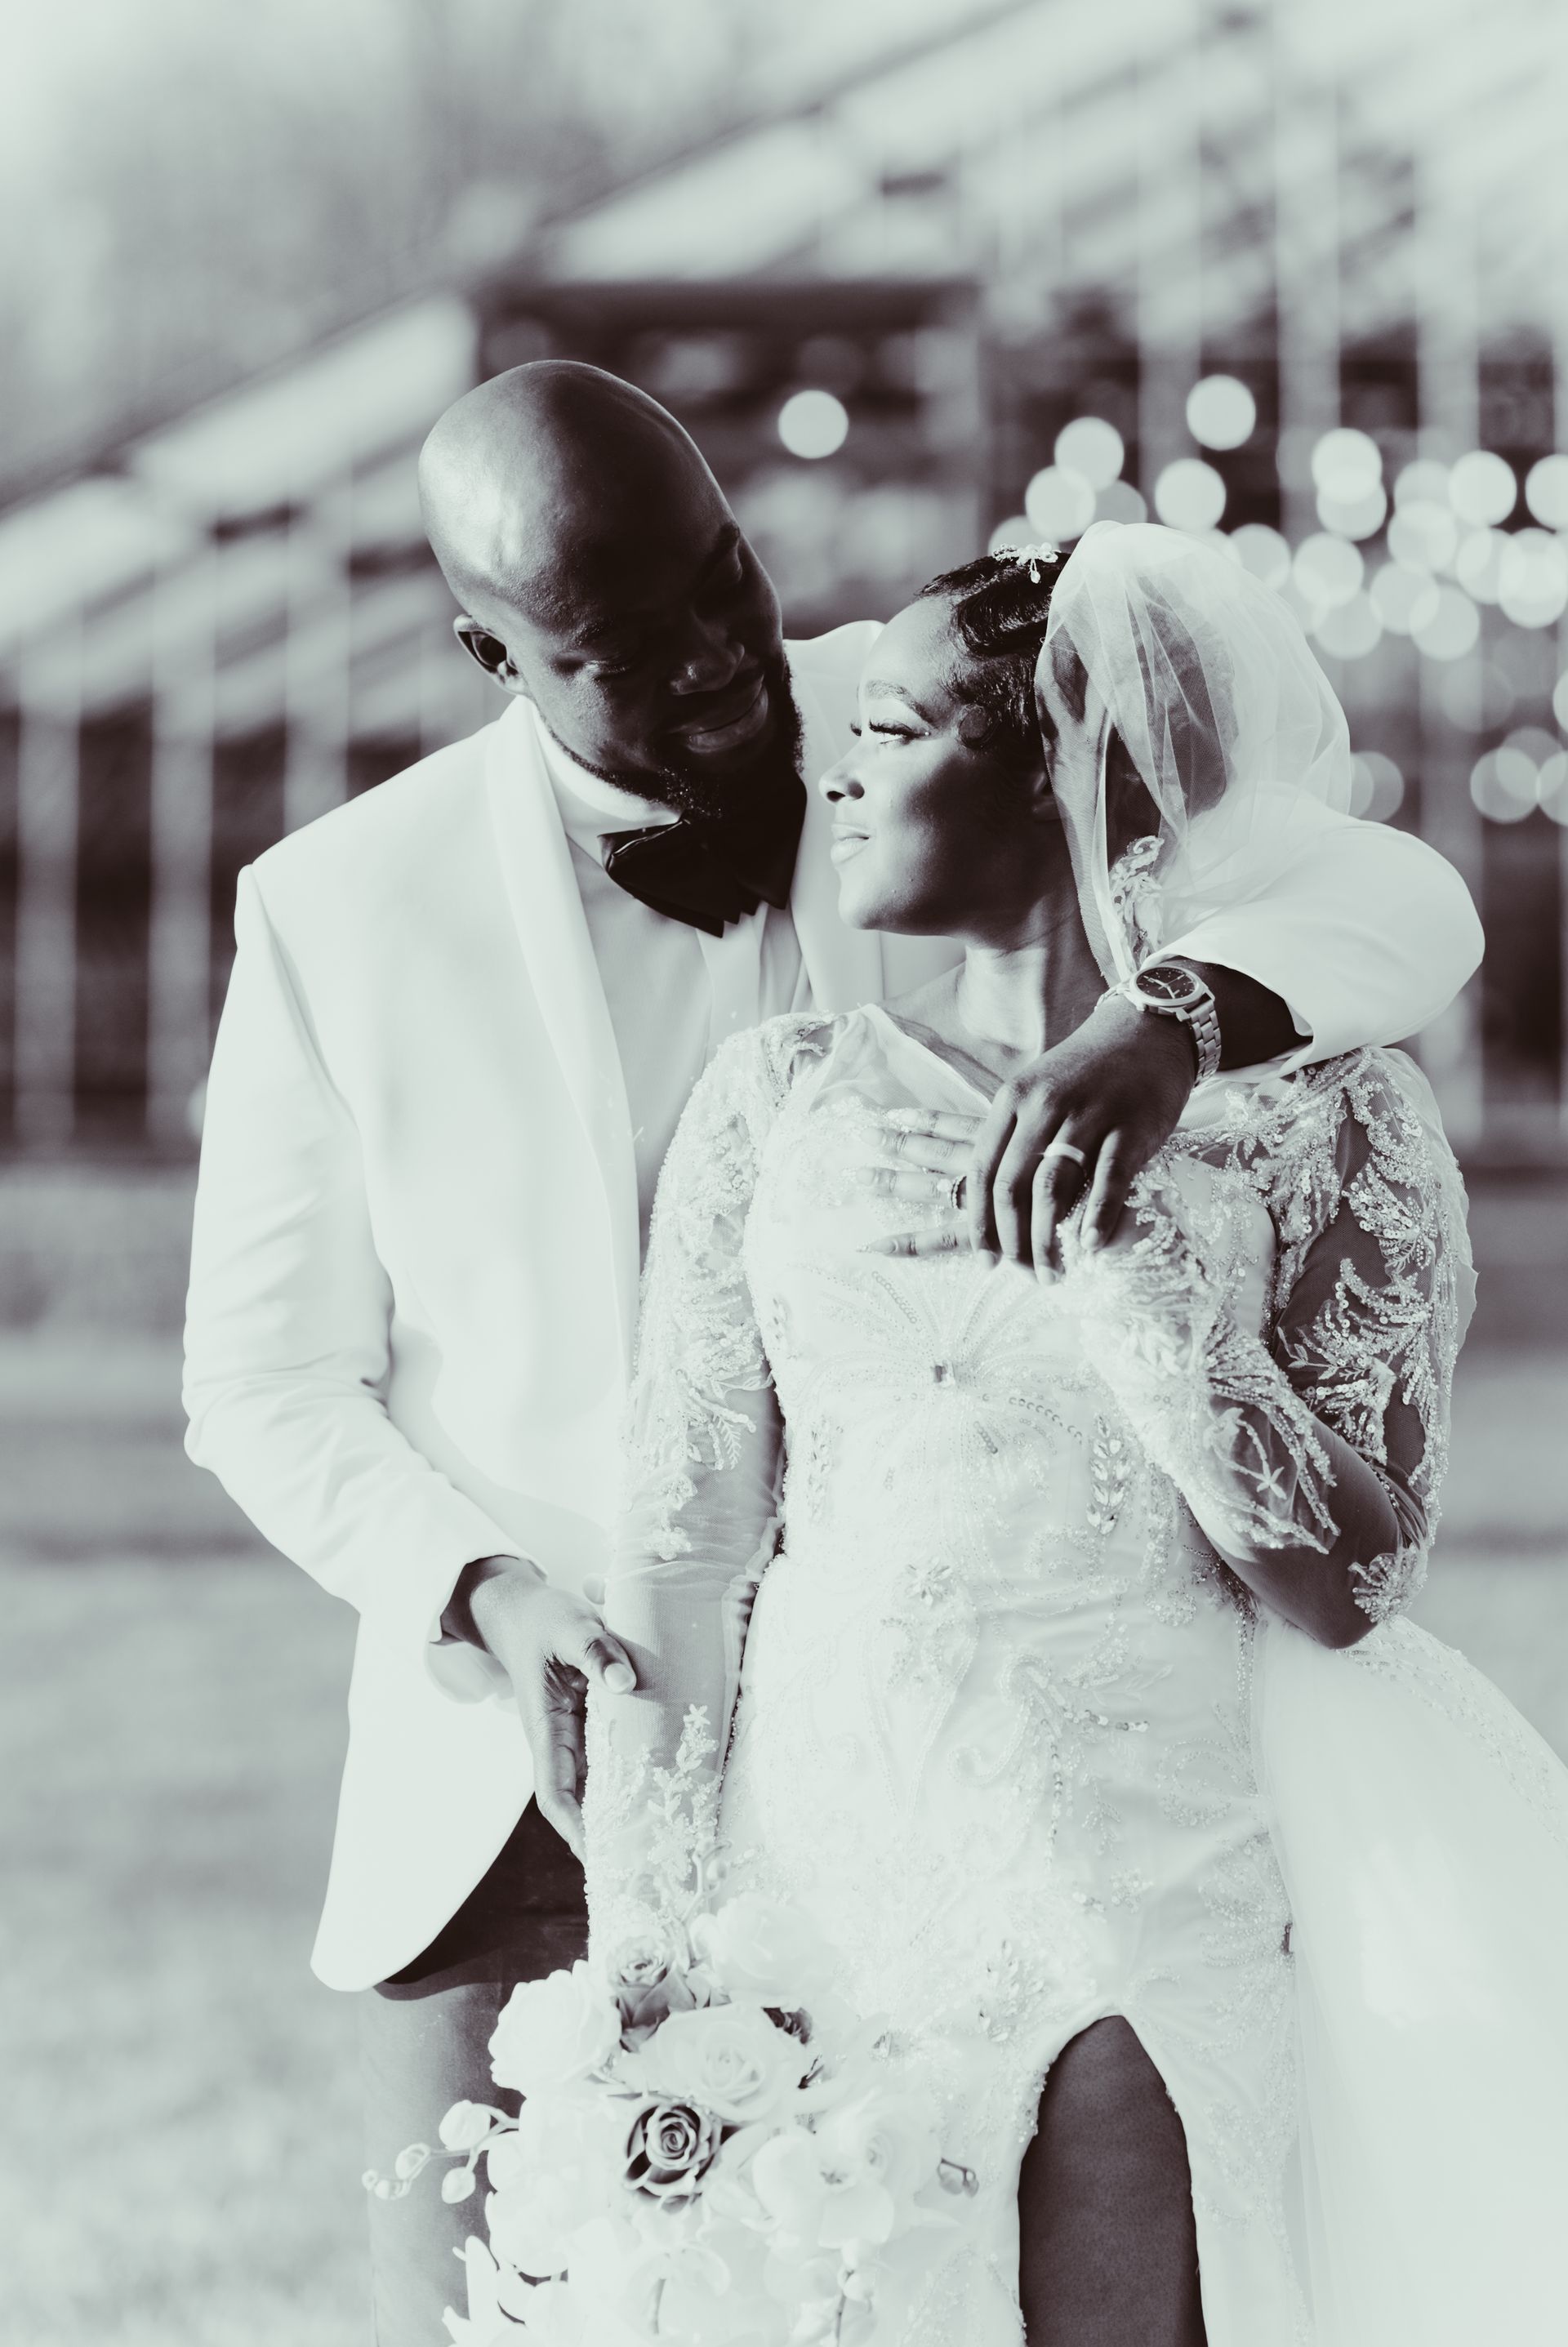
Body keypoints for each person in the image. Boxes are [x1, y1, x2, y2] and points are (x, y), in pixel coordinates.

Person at [180, 363, 1480, 2342]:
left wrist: (1177, 1020)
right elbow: (261, 1380)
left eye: (728, 584)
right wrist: (495, 1598)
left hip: (1040, 1772)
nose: (728, 672)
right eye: (636, 648)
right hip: (551, 1750)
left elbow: (1394, 896)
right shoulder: (341, 909)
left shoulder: (927, 718)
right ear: (491, 654)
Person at [588, 527, 1568, 2346]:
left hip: (1143, 1885)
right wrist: (642, 1940)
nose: (839, 768)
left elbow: (1354, 1577)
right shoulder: (774, 1098)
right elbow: (686, 1542)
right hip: (814, 1893)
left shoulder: (1336, 1118)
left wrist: (1138, 1275)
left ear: (1066, 768)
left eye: (892, 726)